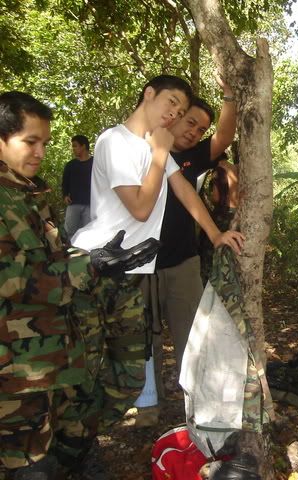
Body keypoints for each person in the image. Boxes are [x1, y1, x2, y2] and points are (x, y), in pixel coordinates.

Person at [0, 91, 158, 479]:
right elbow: (10, 278)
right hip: (14, 376)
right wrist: (88, 267)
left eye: (45, 143)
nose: (39, 152)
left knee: (61, 449)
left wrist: (101, 261)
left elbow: (48, 260)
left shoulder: (27, 195)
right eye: (29, 142)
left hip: (46, 365)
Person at [71, 74, 244, 425]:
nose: (174, 114)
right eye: (172, 104)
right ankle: (84, 434)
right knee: (113, 358)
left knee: (149, 349)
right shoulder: (114, 141)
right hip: (111, 267)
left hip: (145, 263)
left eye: (180, 109)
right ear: (149, 94)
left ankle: (198, 412)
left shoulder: (155, 146)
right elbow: (140, 208)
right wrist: (160, 152)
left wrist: (215, 235)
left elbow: (184, 191)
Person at [151, 78, 238, 381]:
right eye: (190, 122)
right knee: (144, 341)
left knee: (190, 334)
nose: (193, 132)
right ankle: (148, 406)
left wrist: (228, 95)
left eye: (201, 129)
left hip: (184, 262)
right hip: (142, 267)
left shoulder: (191, 158)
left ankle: (196, 401)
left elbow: (225, 136)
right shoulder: (137, 148)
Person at [198, 149, 239, 284]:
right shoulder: (236, 168)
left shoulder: (219, 170)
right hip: (235, 214)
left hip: (222, 214)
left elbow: (216, 196)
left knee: (210, 255)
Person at [62, 134, 93, 238]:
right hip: (73, 204)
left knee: (88, 232)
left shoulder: (95, 163)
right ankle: (69, 253)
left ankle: (87, 253)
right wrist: (65, 195)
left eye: (75, 146)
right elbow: (65, 183)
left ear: (83, 146)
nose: (73, 149)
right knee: (69, 232)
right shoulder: (70, 165)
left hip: (91, 205)